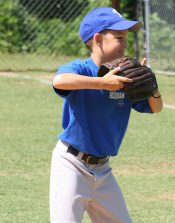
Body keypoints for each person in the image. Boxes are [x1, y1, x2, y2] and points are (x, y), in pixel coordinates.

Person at [50, 7, 163, 223]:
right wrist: (103, 82)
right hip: (71, 165)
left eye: (126, 38)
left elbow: (156, 108)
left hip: (103, 170)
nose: (125, 44)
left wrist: (152, 87)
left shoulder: (127, 75)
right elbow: (59, 81)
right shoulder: (81, 69)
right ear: (98, 39)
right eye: (119, 38)